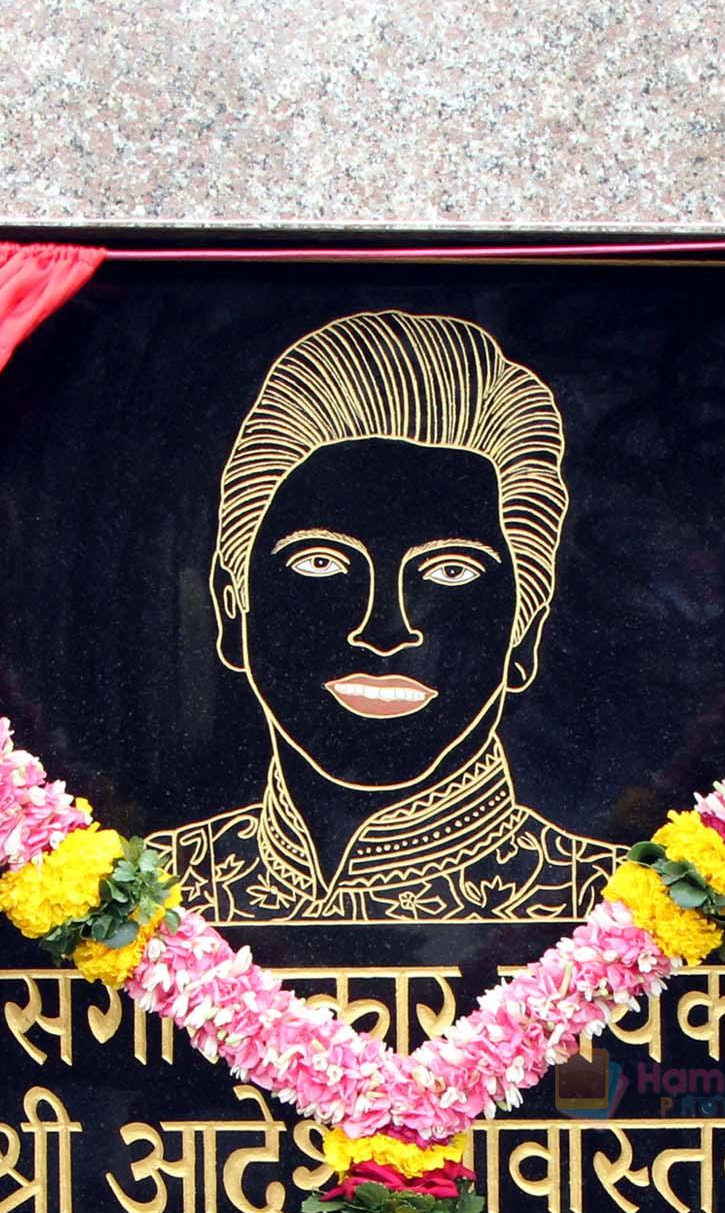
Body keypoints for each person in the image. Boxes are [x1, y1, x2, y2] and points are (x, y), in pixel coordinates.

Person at [150, 307, 623, 922]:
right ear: (232, 604)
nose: (382, 630)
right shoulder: (134, 898)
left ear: (525, 630)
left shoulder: (623, 918)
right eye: (320, 563)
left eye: (450, 571)